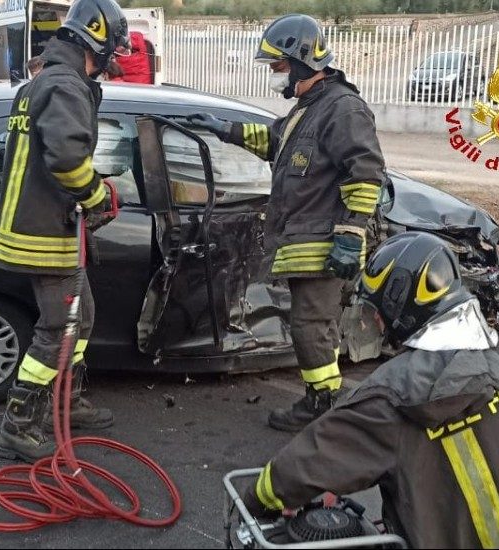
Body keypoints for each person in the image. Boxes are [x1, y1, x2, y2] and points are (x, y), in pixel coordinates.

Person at [242, 232, 499, 549]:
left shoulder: (394, 395)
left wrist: (258, 497)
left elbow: (299, 468)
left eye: (378, 313)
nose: (378, 323)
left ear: (401, 307)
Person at [187, 14, 386, 432]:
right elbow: (273, 140)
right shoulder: (309, 108)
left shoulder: (342, 108)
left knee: (310, 327)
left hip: (323, 244)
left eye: (278, 66)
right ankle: (325, 400)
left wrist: (350, 237)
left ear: (301, 61)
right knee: (313, 327)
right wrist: (224, 130)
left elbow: (366, 173)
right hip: (304, 241)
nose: (276, 75)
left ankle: (321, 407)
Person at [0, 0, 131, 462]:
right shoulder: (66, 85)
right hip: (44, 233)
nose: (114, 58)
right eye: (114, 47)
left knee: (81, 315)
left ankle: (65, 398)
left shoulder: (42, 82)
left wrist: (90, 188)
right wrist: (95, 196)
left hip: (37, 224)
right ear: (101, 40)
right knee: (57, 328)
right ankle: (19, 424)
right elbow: (67, 159)